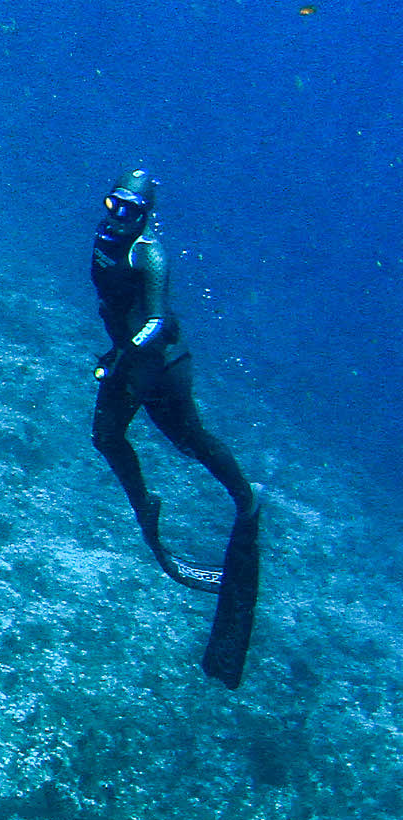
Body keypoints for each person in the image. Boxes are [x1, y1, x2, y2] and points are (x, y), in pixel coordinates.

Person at [88, 168, 261, 688]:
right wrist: (119, 354)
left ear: (146, 215)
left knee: (189, 441)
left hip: (161, 366)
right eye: (113, 204)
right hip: (129, 361)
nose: (118, 216)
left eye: (130, 210)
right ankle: (147, 505)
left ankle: (247, 498)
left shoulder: (150, 252)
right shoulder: (107, 241)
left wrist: (124, 357)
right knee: (106, 436)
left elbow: (157, 320)